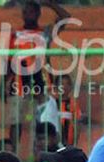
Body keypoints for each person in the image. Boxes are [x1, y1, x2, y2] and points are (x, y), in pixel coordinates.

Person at [5, 0, 70, 150]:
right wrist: (5, 83)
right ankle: (12, 154)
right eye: (26, 11)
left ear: (38, 13)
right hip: (19, 80)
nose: (29, 15)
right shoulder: (15, 34)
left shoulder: (45, 32)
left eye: (32, 11)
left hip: (42, 80)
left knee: (42, 120)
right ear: (22, 14)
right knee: (16, 122)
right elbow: (8, 59)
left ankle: (42, 154)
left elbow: (65, 18)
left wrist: (49, 4)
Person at [54, 74, 84, 147]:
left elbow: (77, 124)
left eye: (67, 84)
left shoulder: (73, 104)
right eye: (62, 84)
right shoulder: (52, 103)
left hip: (68, 143)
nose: (64, 87)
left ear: (70, 87)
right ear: (56, 87)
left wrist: (74, 142)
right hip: (53, 142)